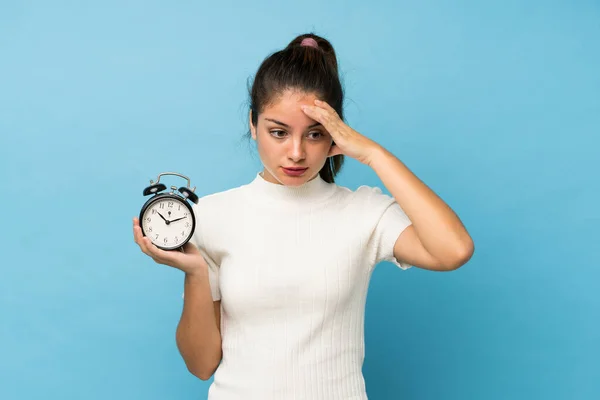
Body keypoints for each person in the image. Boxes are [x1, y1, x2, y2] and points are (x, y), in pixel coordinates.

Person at [132, 33, 474, 400]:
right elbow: (201, 365)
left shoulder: (364, 213)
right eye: (278, 132)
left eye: (315, 134)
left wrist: (374, 154)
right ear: (253, 124)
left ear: (336, 133)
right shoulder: (211, 216)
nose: (296, 152)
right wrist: (196, 272)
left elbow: (453, 250)